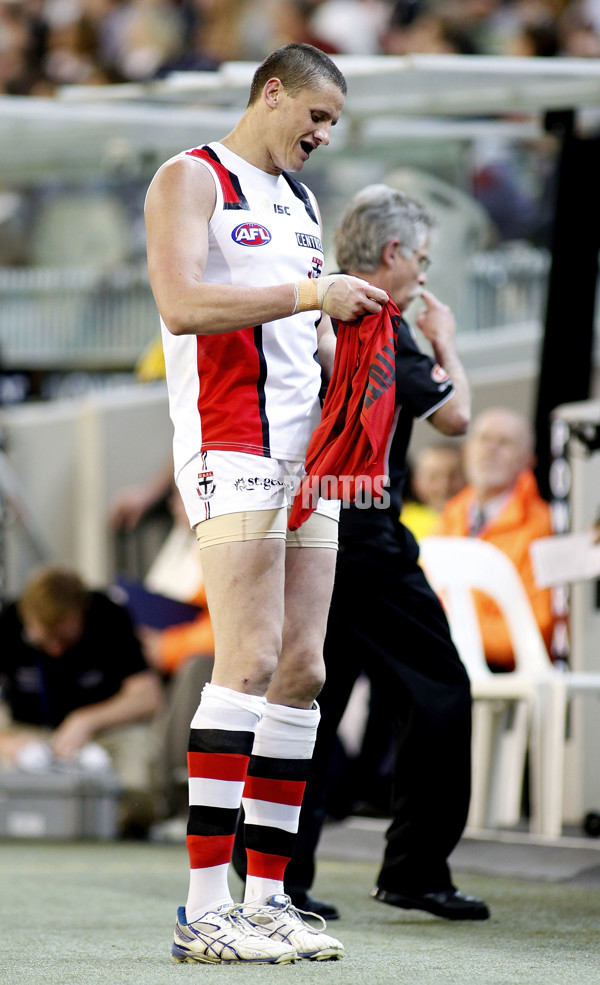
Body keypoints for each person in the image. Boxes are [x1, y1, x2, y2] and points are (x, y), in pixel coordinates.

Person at [144, 42, 389, 965]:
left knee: (303, 668)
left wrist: (359, 360)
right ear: (271, 91)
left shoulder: (300, 199)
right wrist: (309, 291)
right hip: (229, 439)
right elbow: (180, 302)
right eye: (316, 117)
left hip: (305, 448)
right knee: (243, 660)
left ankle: (268, 896)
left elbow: (308, 329)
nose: (323, 136)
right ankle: (204, 909)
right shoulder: (189, 178)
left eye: (334, 126)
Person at [233, 182, 490, 923]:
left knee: (305, 700)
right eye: (423, 259)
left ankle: (275, 874)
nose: (424, 276)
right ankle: (415, 866)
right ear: (392, 254)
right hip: (366, 531)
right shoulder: (383, 322)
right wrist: (444, 338)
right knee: (439, 689)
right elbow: (457, 417)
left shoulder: (308, 311)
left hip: (305, 517)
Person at [0, 565, 164, 836]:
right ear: (27, 619)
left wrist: (86, 720)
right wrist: (8, 743)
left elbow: (147, 696)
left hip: (101, 735)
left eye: (63, 638)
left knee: (139, 758)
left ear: (81, 613)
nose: (55, 649)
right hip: (28, 735)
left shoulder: (108, 614)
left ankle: (121, 823)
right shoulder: (8, 622)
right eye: (46, 639)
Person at [436, 405, 556, 671]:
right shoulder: (451, 514)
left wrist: (452, 632)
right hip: (444, 658)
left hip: (502, 670)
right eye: (483, 439)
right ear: (466, 451)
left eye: (504, 442)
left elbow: (538, 628)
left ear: (529, 461)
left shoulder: (543, 525)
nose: (490, 449)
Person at [400, 441, 465, 540]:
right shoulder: (398, 523)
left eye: (453, 475)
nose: (443, 485)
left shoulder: (478, 522)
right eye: (433, 476)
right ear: (415, 481)